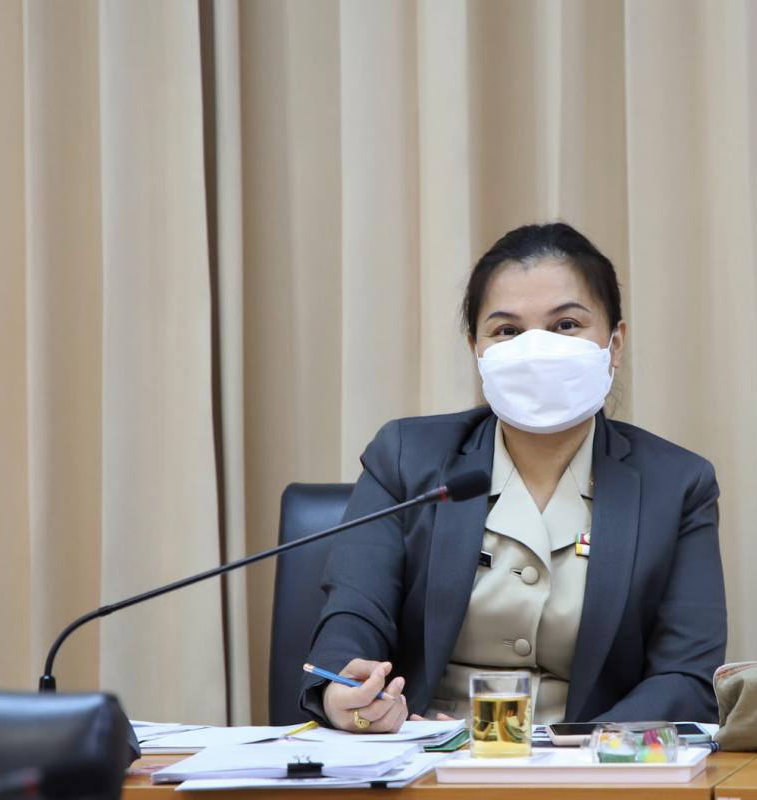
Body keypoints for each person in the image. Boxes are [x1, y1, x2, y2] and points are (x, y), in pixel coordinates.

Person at [300, 222, 726, 732]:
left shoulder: (677, 484)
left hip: (593, 760)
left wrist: (576, 750)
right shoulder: (406, 458)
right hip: (428, 755)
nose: (536, 349)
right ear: (476, 350)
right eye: (507, 331)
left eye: (566, 324)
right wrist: (343, 691)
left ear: (614, 343)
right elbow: (354, 612)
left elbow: (685, 676)